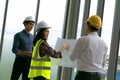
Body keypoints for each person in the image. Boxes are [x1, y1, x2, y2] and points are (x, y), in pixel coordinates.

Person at [70, 15, 108, 80]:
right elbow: (103, 64)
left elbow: (72, 58)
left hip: (83, 76)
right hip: (97, 77)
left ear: (88, 26)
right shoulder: (104, 44)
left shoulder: (83, 40)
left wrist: (70, 49)